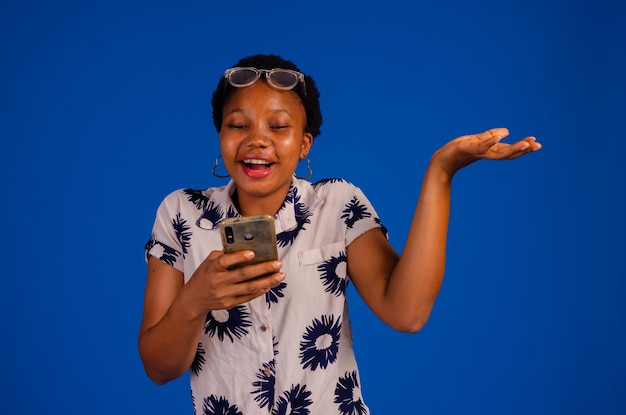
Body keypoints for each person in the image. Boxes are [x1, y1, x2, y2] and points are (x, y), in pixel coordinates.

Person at [139, 54, 541, 414]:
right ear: (221, 137)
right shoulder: (182, 214)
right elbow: (160, 368)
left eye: (279, 126)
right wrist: (195, 299)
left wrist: (441, 171)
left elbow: (408, 313)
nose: (256, 139)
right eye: (237, 124)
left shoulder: (337, 205)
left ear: (303, 145)